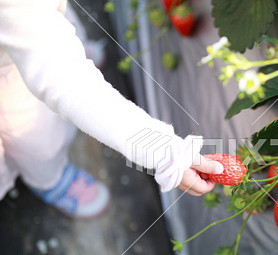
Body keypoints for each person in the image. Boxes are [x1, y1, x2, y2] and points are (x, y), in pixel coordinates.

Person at [0, 0, 223, 219]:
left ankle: (61, 46)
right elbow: (64, 81)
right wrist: (163, 151)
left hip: (30, 23)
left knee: (52, 28)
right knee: (32, 132)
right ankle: (49, 179)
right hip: (10, 71)